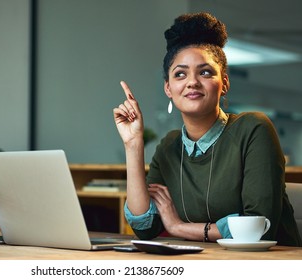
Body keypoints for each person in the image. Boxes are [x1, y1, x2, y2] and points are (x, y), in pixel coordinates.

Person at [113, 12, 301, 246]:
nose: (192, 82)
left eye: (205, 72)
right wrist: (133, 144)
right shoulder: (169, 146)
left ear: (225, 83)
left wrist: (178, 227)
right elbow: (144, 227)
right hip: (203, 263)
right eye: (180, 74)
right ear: (168, 89)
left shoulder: (254, 129)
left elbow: (257, 227)